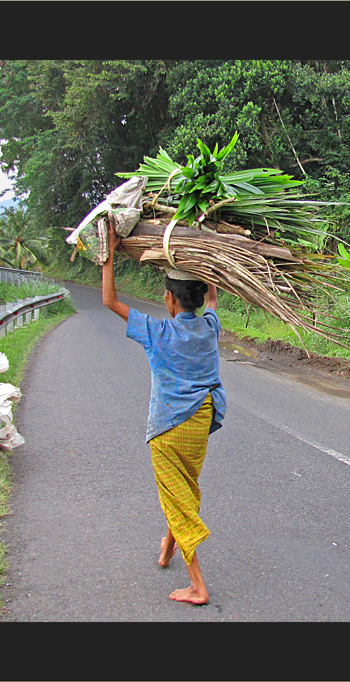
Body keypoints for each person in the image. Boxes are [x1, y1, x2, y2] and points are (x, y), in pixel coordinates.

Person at [102, 222, 225, 605]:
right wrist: (208, 254)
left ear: (171, 301)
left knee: (176, 497)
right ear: (199, 297)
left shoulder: (158, 332)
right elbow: (214, 303)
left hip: (169, 427)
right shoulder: (210, 327)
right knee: (183, 487)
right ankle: (168, 548)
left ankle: (197, 585)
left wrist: (107, 253)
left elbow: (109, 300)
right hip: (202, 420)